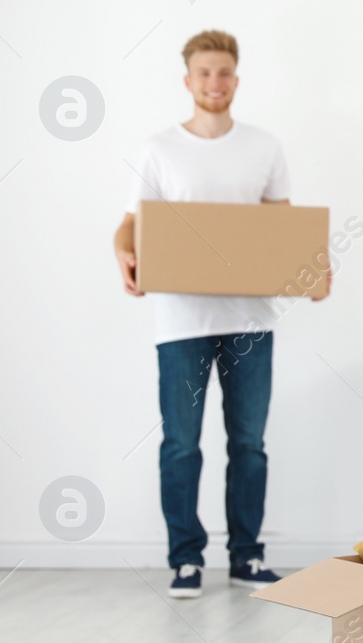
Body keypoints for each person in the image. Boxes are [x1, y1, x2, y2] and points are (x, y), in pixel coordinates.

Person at [112, 29, 327, 598]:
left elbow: (283, 229)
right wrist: (122, 252)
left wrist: (314, 269)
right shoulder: (159, 148)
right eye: (204, 73)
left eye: (224, 72)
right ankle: (185, 559)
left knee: (248, 445)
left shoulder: (264, 147)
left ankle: (246, 557)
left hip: (251, 321)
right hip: (181, 322)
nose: (215, 82)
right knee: (182, 444)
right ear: (188, 80)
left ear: (237, 78)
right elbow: (133, 222)